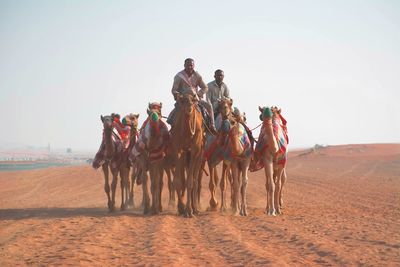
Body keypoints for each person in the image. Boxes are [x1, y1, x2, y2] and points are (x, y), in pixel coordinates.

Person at [167, 58, 217, 134]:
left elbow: (205, 87)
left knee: (209, 106)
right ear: (184, 65)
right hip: (184, 100)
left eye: (191, 65)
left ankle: (212, 126)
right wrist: (178, 95)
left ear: (194, 65)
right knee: (175, 112)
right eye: (188, 65)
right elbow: (174, 90)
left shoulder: (197, 75)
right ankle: (173, 127)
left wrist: (199, 94)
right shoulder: (179, 76)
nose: (190, 67)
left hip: (195, 99)